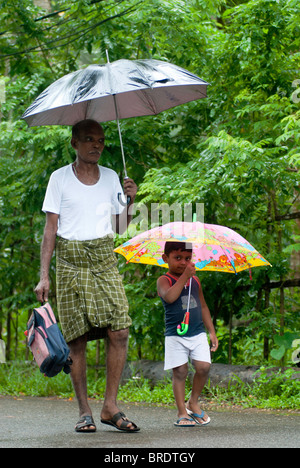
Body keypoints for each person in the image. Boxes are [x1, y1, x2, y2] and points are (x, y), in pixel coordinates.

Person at [34, 119, 140, 433]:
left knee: (120, 330)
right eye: (89, 139)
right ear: (74, 143)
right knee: (76, 340)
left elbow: (120, 227)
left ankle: (110, 406)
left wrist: (131, 200)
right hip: (69, 261)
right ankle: (84, 411)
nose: (96, 145)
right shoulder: (59, 178)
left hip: (103, 258)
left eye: (101, 140)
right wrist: (44, 276)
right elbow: (50, 228)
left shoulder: (110, 178)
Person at [157, 241, 218, 427]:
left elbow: (204, 306)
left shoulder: (195, 281)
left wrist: (212, 332)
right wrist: (185, 276)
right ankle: (182, 411)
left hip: (197, 332)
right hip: (175, 335)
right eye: (178, 258)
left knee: (204, 367)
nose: (183, 262)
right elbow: (169, 297)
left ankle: (193, 401)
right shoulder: (164, 280)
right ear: (165, 258)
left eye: (187, 258)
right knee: (180, 371)